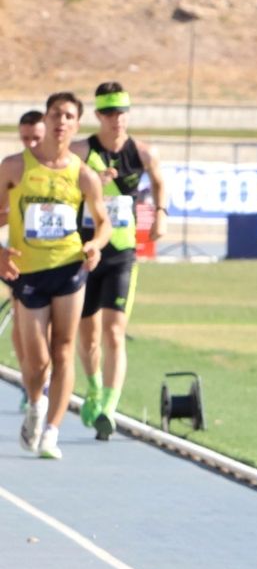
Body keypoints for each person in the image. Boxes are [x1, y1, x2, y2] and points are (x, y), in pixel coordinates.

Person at [0, 92, 108, 459]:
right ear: (45, 119)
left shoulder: (83, 174)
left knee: (64, 349)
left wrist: (96, 245)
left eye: (69, 117)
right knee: (37, 360)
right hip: (28, 271)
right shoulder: (15, 167)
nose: (62, 122)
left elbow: (103, 222)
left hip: (68, 267)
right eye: (56, 114)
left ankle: (52, 432)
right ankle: (36, 404)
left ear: (77, 125)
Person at [72, 81, 167, 439]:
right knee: (88, 337)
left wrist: (161, 214)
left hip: (122, 252)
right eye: (110, 113)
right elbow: (62, 182)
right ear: (99, 115)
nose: (117, 119)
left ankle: (110, 407)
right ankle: (94, 387)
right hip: (86, 251)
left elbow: (159, 181)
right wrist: (91, 182)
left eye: (122, 112)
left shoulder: (142, 152)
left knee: (114, 331)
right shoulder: (81, 151)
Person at [9, 110, 46, 403]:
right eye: (25, 139)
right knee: (21, 328)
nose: (31, 144)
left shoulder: (64, 167)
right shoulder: (15, 168)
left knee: (51, 332)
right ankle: (29, 381)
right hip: (20, 258)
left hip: (59, 259)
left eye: (36, 138)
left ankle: (43, 381)